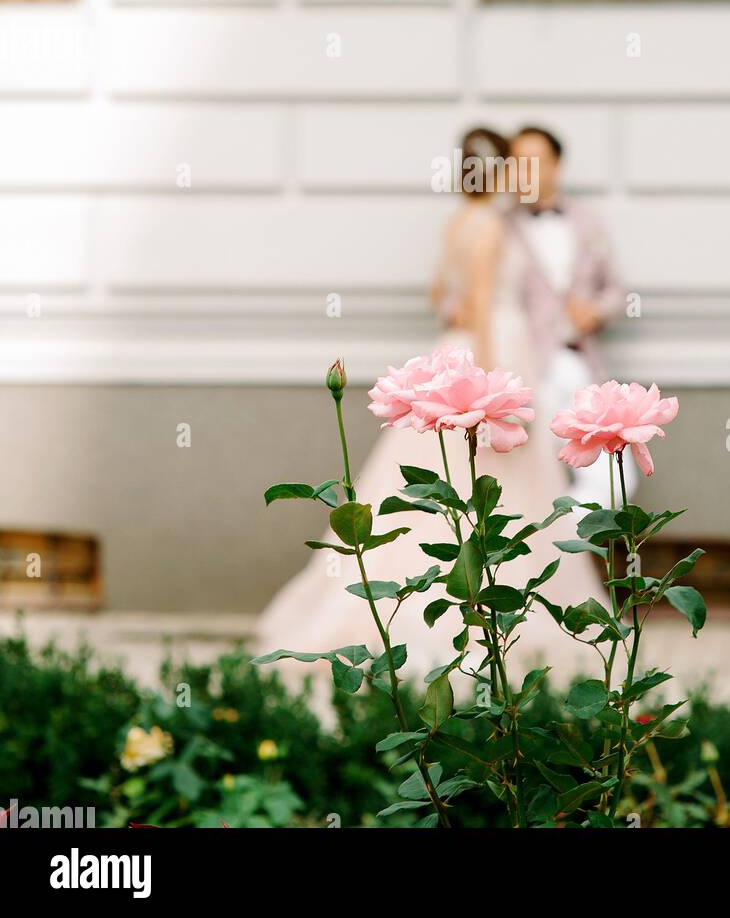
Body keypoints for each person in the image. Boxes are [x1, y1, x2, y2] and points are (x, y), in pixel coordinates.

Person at [256, 127, 608, 702]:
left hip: (455, 344)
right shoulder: (493, 225)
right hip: (490, 351)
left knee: (436, 488)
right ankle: (492, 618)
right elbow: (487, 307)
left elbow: (439, 294)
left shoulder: (457, 223)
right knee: (495, 487)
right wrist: (492, 390)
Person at [507, 126, 630, 506]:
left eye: (534, 160)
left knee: (611, 476)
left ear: (556, 165)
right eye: (516, 161)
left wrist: (596, 311)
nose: (524, 170)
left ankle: (565, 549)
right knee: (528, 478)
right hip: (525, 372)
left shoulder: (587, 222)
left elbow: (617, 292)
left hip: (579, 363)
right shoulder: (498, 227)